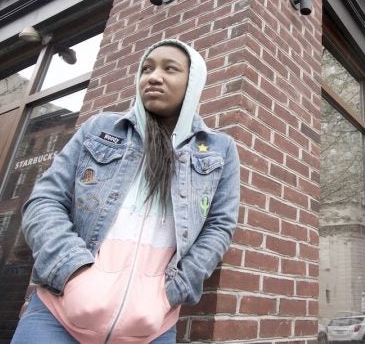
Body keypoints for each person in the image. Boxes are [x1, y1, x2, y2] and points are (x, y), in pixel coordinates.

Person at [12, 39, 240, 344]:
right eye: (147, 69)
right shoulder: (100, 128)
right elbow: (45, 200)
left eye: (169, 69)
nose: (153, 76)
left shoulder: (218, 149)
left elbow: (220, 226)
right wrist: (73, 271)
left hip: (150, 328)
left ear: (193, 81)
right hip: (57, 314)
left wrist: (171, 292)